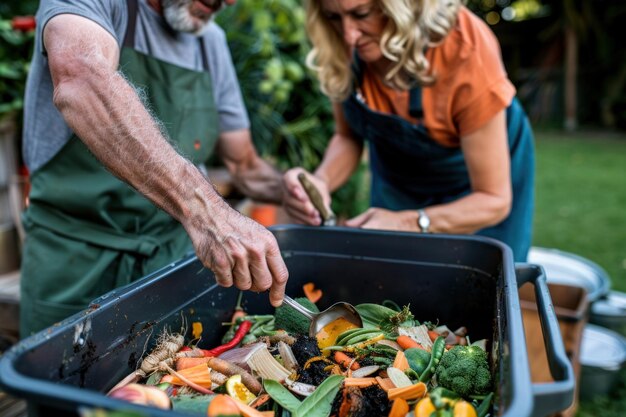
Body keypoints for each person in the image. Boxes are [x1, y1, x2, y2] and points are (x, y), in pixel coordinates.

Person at [20, 0, 289, 336]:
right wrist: (206, 213)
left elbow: (243, 164)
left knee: (172, 382)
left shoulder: (210, 43)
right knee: (58, 384)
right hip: (75, 264)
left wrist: (287, 188)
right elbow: (82, 79)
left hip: (171, 267)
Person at [283, 0, 534, 261]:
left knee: (483, 278)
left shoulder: (465, 48)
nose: (349, 35)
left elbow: (493, 199)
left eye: (362, 14)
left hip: (478, 187)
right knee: (394, 279)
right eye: (333, 17)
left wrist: (409, 222)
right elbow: (348, 137)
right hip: (400, 181)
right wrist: (321, 181)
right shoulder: (339, 44)